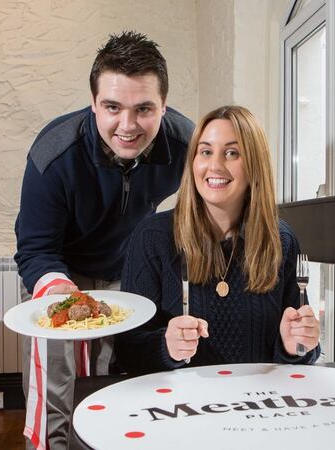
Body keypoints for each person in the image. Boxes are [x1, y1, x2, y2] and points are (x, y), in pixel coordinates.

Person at [13, 31, 194, 449]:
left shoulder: (187, 142)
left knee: (117, 377)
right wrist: (63, 294)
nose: (127, 126)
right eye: (112, 107)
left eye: (144, 109)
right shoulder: (54, 152)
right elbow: (36, 248)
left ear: (163, 107)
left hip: (126, 270)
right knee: (55, 381)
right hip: (60, 271)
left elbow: (212, 202)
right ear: (94, 103)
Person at [115, 105, 320, 374]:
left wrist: (296, 345)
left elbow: (298, 354)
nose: (215, 165)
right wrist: (167, 347)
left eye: (232, 153)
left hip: (256, 405)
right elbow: (127, 351)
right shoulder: (153, 237)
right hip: (178, 406)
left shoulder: (281, 239)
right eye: (206, 151)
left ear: (254, 166)